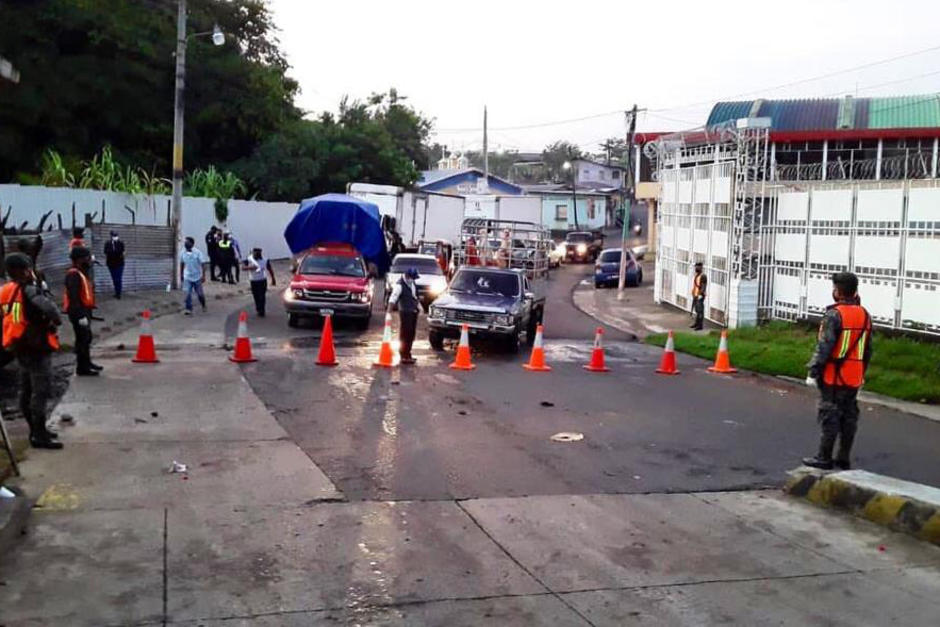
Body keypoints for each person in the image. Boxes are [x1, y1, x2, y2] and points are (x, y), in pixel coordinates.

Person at [802, 272, 873, 470]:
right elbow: (868, 350)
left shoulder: (834, 315)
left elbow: (825, 346)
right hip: (854, 375)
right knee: (849, 417)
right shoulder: (864, 315)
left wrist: (813, 370)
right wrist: (862, 373)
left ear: (838, 292)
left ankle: (824, 457)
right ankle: (843, 457)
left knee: (830, 415)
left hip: (833, 376)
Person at [1, 253, 63, 449]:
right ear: (22, 270)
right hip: (35, 346)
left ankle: (35, 431)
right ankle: (39, 434)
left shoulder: (6, 290)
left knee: (26, 389)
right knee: (40, 391)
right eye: (28, 268)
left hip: (18, 345)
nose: (31, 271)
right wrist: (56, 320)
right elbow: (50, 309)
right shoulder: (29, 290)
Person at [64, 246, 101, 376]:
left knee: (86, 338)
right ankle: (82, 368)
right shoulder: (73, 274)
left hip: (84, 310)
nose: (89, 260)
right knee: (82, 339)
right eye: (86, 258)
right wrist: (80, 316)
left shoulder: (81, 272)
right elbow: (73, 296)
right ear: (79, 259)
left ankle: (87, 362)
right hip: (78, 312)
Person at [387, 267, 420, 365]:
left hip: (413, 311)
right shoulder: (399, 285)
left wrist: (418, 307)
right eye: (412, 278)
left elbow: (415, 297)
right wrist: (389, 312)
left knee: (411, 333)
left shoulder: (412, 283)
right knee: (405, 333)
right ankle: (403, 355)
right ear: (407, 276)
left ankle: (408, 354)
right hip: (405, 312)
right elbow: (393, 299)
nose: (413, 280)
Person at [179, 237, 207, 315]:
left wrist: (203, 276)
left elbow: (203, 264)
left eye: (187, 242)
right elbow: (182, 263)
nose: (185, 244)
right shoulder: (182, 252)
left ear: (192, 244)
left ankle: (203, 305)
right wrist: (181, 275)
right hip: (187, 277)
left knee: (200, 294)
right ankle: (189, 309)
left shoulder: (198, 252)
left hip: (197, 277)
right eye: (185, 242)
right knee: (187, 294)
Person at [245, 247, 276, 317]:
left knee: (262, 295)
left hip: (262, 280)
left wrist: (273, 279)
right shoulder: (249, 259)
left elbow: (270, 269)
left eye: (258, 253)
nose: (256, 254)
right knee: (256, 295)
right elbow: (243, 267)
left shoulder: (265, 260)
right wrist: (250, 267)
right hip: (253, 280)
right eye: (255, 253)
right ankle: (258, 308)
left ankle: (262, 310)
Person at [103, 230, 126, 299]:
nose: (115, 237)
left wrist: (117, 253)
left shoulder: (120, 243)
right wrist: (113, 253)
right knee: (114, 279)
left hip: (119, 264)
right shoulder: (107, 243)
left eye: (116, 235)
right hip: (111, 264)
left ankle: (118, 293)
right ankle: (116, 292)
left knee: (118, 279)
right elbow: (105, 252)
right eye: (113, 235)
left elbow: (123, 252)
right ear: (111, 236)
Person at [690, 262, 707, 330]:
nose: (696, 268)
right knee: (697, 310)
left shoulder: (703, 276)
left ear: (701, 267)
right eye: (695, 266)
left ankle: (700, 326)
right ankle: (696, 323)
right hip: (695, 294)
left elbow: (703, 286)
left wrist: (700, 294)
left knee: (700, 311)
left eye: (697, 267)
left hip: (700, 295)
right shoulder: (697, 275)